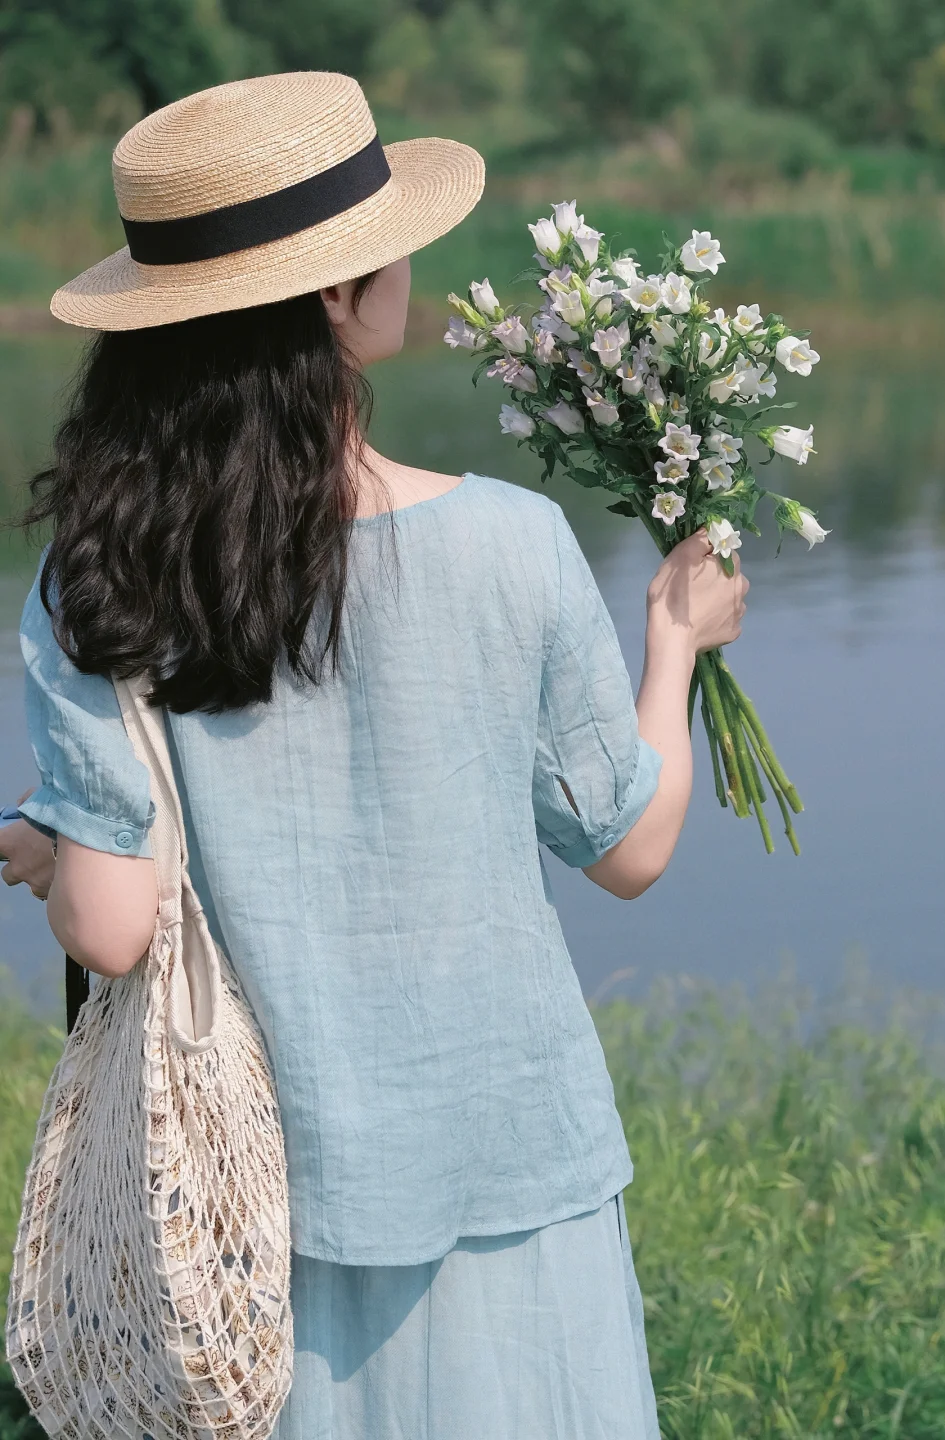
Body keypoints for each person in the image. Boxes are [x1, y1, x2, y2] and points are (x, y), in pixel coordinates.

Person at [0, 72, 748, 1440]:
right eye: (381, 242)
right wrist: (676, 648)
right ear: (337, 302)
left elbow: (110, 927)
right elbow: (631, 847)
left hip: (257, 1214)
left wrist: (56, 846)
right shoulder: (509, 542)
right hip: (513, 1176)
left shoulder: (97, 575)